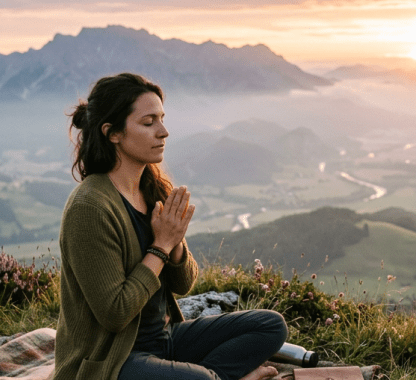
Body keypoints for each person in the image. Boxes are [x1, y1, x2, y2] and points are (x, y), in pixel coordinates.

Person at [53, 73, 288, 380]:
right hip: (112, 360)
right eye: (148, 122)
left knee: (270, 325)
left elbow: (184, 283)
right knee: (202, 379)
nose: (163, 131)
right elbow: (114, 314)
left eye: (161, 119)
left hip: (164, 339)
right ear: (113, 133)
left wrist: (174, 244)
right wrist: (160, 245)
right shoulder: (90, 208)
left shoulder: (151, 190)